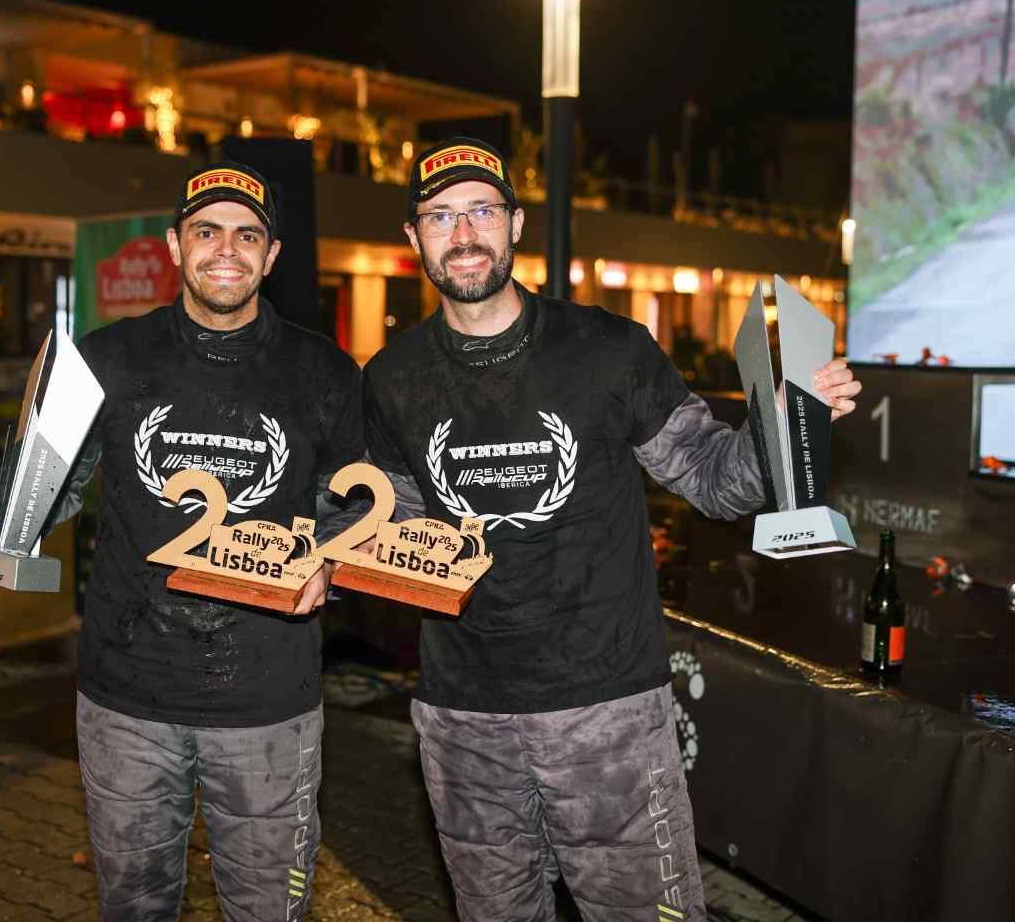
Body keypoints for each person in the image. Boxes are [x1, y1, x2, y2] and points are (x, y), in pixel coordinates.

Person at [360, 137, 862, 922]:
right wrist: (322, 544)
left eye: (482, 211)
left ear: (515, 223)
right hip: (464, 721)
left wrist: (786, 424)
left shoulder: (607, 349)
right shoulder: (391, 378)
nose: (463, 233)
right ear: (414, 236)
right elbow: (390, 524)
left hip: (608, 714)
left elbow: (713, 479)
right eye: (441, 216)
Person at [0, 161, 364, 921]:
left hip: (269, 696)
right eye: (207, 232)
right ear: (176, 245)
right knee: (133, 905)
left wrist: (330, 563)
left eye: (247, 235)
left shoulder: (326, 370)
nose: (226, 250)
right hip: (127, 694)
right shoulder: (109, 357)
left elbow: (355, 498)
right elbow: (53, 474)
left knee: (271, 909)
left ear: (272, 255)